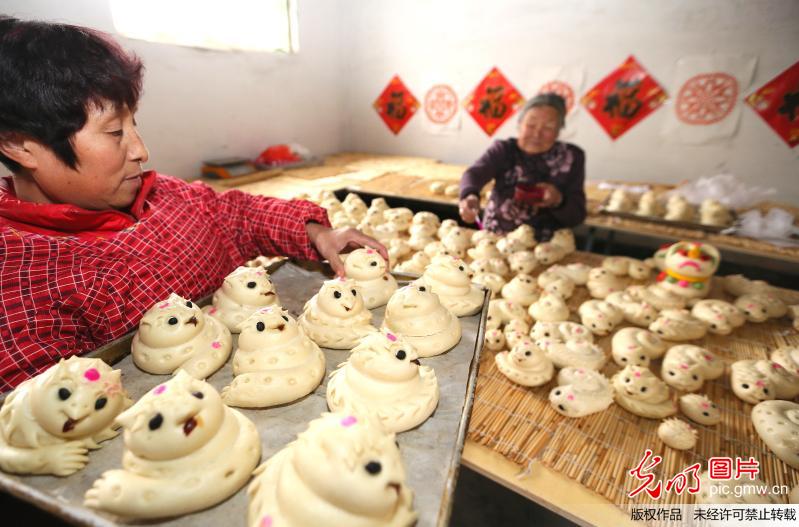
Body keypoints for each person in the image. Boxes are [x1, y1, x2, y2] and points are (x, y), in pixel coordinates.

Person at [0, 17, 386, 390]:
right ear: (19, 145)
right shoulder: (20, 283)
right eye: (115, 132)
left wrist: (319, 233)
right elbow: (40, 416)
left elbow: (237, 215)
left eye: (135, 124)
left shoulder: (166, 197)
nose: (141, 151)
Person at [458, 93, 586, 240]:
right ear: (519, 125)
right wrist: (470, 196)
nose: (537, 134)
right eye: (531, 125)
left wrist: (558, 200)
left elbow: (577, 216)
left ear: (558, 131)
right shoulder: (504, 149)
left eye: (548, 127)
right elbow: (474, 174)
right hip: (495, 240)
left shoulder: (571, 157)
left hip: (545, 247)